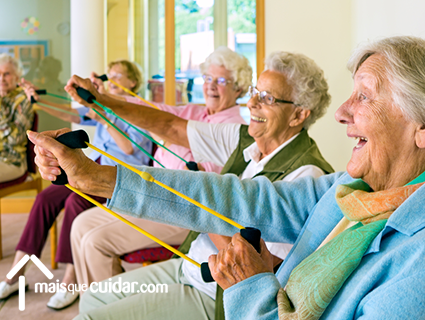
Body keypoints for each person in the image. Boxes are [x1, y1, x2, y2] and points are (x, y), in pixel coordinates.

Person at [31, 35, 425, 319]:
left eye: (365, 96)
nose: (342, 111)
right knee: (93, 295)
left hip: (222, 296)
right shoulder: (350, 189)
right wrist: (97, 177)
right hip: (206, 274)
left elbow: (255, 257)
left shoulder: (415, 267)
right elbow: (238, 196)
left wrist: (251, 285)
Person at [68, 51, 334, 319]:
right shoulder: (244, 139)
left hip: (216, 292)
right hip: (190, 264)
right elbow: (170, 125)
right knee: (94, 297)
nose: (251, 103)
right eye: (256, 92)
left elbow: (263, 266)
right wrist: (101, 100)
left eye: (267, 98)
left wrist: (201, 206)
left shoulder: (306, 175)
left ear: (298, 115)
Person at [69, 47, 251, 290]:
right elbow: (153, 113)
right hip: (151, 196)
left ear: (238, 87)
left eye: (220, 81)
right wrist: (102, 98)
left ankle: (105, 309)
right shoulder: (194, 111)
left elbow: (206, 178)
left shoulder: (235, 128)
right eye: (207, 78)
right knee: (80, 225)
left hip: (183, 212)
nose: (211, 86)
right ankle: (95, 304)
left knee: (94, 242)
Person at [0, 59, 152, 311]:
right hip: (93, 170)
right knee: (45, 199)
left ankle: (71, 279)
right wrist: (38, 100)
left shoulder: (140, 110)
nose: (109, 78)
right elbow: (69, 114)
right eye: (109, 74)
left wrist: (103, 117)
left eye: (117, 75)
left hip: (120, 180)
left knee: (75, 202)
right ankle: (15, 274)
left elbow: (129, 148)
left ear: (132, 81)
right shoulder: (105, 106)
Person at [0, 54, 33, 184]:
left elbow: (16, 139)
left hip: (13, 162)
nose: (1, 78)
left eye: (6, 74)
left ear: (17, 77)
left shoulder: (24, 101)